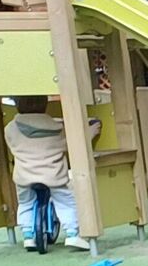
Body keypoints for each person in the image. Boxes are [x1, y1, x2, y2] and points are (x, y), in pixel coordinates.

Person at [6, 97, 97, 252]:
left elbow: (13, 144)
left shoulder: (10, 128)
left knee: (26, 203)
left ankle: (28, 236)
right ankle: (73, 233)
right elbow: (70, 144)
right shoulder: (58, 128)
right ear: (45, 105)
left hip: (25, 175)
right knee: (66, 202)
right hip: (53, 175)